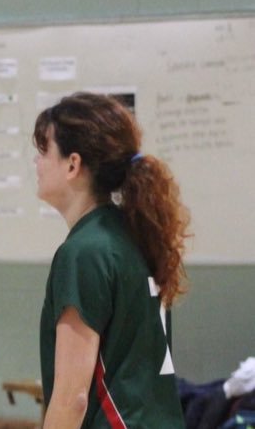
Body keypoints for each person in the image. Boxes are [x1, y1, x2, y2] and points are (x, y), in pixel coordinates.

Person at [31, 92, 187, 428]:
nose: (36, 162)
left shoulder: (84, 252)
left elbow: (72, 398)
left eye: (43, 151)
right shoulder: (133, 233)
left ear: (73, 164)